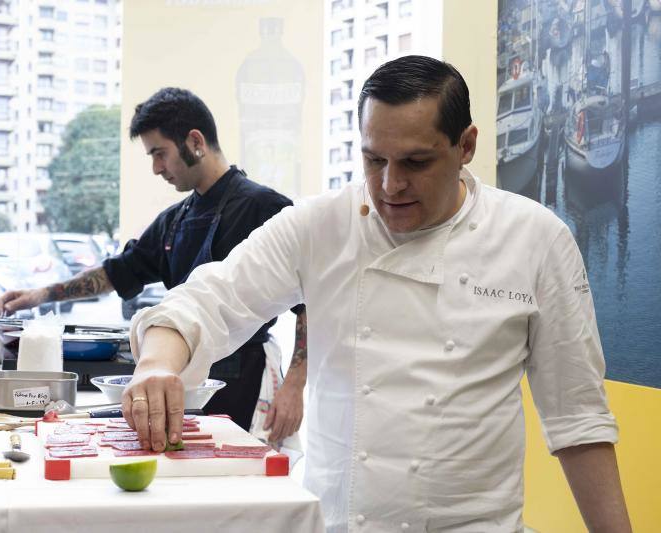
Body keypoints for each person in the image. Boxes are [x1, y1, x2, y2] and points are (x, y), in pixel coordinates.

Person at [122, 57, 631, 532]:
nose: (390, 184)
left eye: (416, 161)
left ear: (466, 146)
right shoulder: (322, 224)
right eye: (373, 159)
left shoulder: (536, 239)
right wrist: (156, 367)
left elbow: (578, 419)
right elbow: (210, 298)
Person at [0, 87, 306, 442]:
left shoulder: (264, 208)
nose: (157, 168)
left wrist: (295, 385)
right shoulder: (175, 219)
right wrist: (39, 295)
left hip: (245, 376)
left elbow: (308, 304)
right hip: (184, 378)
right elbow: (117, 272)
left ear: (195, 141)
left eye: (160, 153)